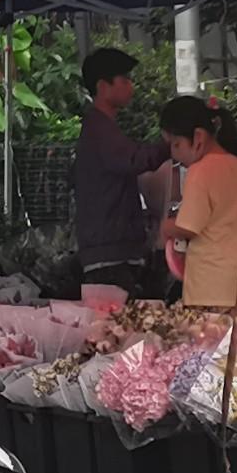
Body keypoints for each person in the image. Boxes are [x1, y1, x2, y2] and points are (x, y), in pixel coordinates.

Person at [71, 46, 171, 299]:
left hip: (110, 248)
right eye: (124, 80)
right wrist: (173, 145)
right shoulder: (99, 129)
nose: (131, 86)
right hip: (108, 252)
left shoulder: (102, 127)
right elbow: (133, 159)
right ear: (103, 86)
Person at [161, 96, 237, 312]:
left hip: (211, 286)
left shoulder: (202, 170)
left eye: (176, 144)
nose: (174, 154)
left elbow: (188, 227)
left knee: (212, 342)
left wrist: (166, 226)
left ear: (198, 137)